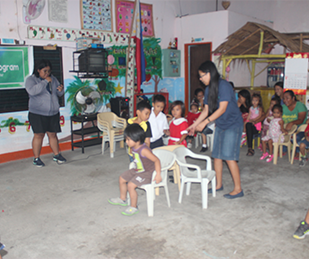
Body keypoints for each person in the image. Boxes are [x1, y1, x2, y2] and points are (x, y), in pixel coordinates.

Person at [188, 60, 244, 199]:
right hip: (221, 124)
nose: (200, 79)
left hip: (233, 124)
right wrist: (195, 125)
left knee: (229, 157)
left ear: (209, 73)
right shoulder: (208, 89)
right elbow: (206, 110)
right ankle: (218, 184)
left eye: (202, 76)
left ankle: (238, 189)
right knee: (217, 156)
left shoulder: (224, 86)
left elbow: (222, 108)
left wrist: (206, 123)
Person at [108, 124, 161, 216]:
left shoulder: (144, 150)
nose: (126, 142)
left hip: (147, 173)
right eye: (126, 139)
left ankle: (133, 206)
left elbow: (156, 160)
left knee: (131, 185)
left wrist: (158, 174)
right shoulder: (133, 147)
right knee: (121, 178)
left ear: (137, 139)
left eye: (128, 139)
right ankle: (123, 199)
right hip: (137, 170)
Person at [25, 59, 66, 167]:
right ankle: (36, 158)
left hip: (52, 112)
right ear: (38, 70)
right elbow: (32, 91)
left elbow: (59, 93)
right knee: (39, 135)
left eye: (49, 71)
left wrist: (61, 90)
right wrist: (45, 82)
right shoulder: (31, 80)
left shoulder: (53, 79)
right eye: (45, 71)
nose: (47, 73)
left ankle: (56, 155)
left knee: (52, 134)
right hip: (37, 113)